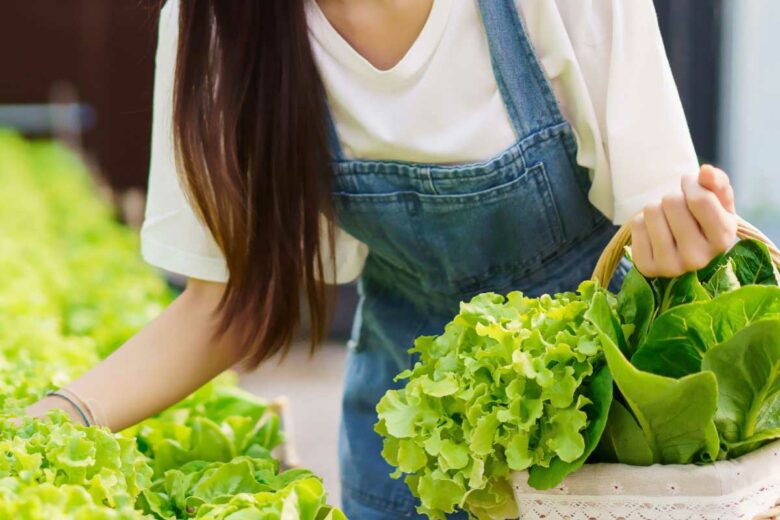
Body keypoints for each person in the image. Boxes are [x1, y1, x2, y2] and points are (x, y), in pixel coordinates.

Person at [26, 0, 739, 518]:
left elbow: (658, 233)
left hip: (604, 454)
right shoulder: (218, 22)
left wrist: (684, 239)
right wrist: (59, 417)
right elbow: (228, 304)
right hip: (407, 458)